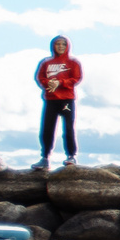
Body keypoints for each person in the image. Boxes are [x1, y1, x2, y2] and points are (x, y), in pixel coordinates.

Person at [33, 35, 82, 170]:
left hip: (66, 101)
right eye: (58, 44)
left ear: (67, 46)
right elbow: (39, 77)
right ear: (53, 46)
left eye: (63, 44)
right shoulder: (46, 62)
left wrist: (60, 82)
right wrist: (48, 84)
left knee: (68, 128)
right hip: (50, 100)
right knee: (47, 129)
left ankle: (71, 156)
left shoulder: (73, 62)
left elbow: (76, 78)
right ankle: (45, 158)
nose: (60, 47)